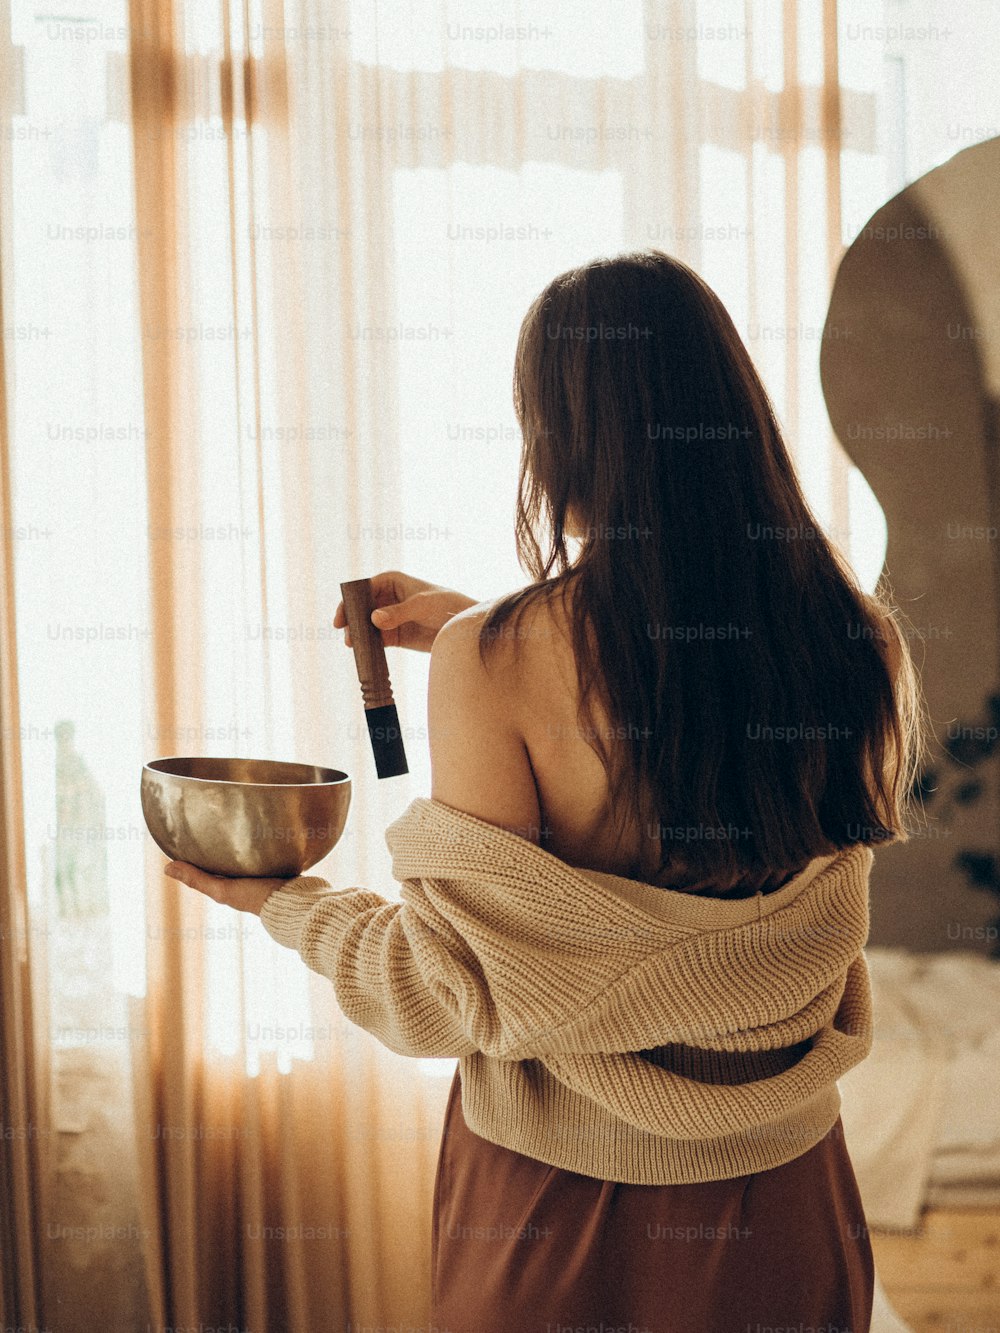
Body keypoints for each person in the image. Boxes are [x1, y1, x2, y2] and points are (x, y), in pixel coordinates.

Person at [167, 250, 925, 1332]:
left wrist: (284, 902)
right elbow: (696, 768)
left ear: (564, 434)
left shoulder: (499, 659)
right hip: (785, 1205)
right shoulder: (860, 644)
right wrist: (486, 635)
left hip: (557, 1215)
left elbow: (449, 993)